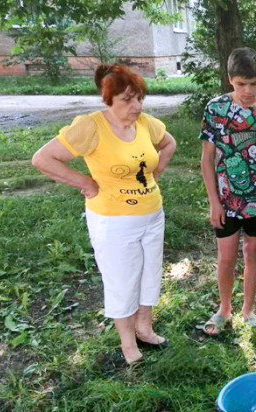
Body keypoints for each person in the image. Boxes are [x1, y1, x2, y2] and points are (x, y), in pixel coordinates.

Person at [32, 64, 177, 364]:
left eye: (139, 98)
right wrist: (84, 182)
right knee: (122, 280)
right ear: (108, 99)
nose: (135, 106)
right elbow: (43, 159)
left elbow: (169, 142)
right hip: (113, 222)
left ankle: (145, 328)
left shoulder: (147, 124)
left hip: (152, 216)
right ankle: (128, 346)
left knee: (150, 274)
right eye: (127, 99)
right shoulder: (90, 126)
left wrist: (158, 169)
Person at [199, 47, 256, 335]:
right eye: (241, 84)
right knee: (226, 257)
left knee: (253, 251)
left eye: (254, 83)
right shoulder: (216, 109)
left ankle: (248, 309)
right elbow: (207, 159)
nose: (248, 90)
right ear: (230, 80)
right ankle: (224, 309)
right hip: (226, 198)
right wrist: (214, 202)